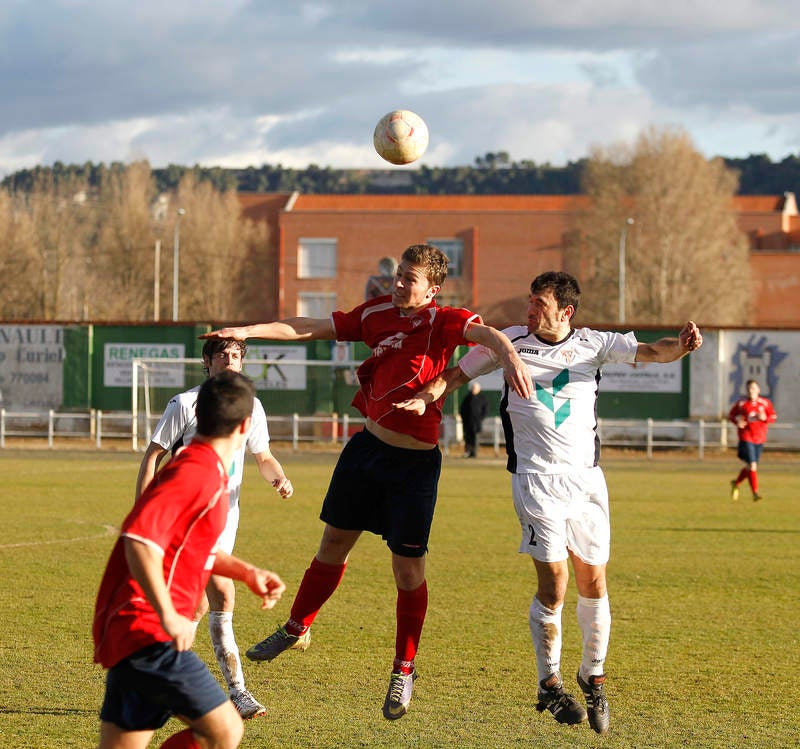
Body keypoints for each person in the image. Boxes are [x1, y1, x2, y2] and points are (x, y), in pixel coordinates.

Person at [200, 243, 532, 720]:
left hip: (414, 468)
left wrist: (510, 357)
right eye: (398, 274)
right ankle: (296, 628)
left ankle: (403, 670)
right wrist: (245, 331)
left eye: (409, 279)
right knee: (332, 544)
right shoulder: (376, 314)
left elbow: (489, 335)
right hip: (366, 452)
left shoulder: (444, 320)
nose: (398, 284)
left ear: (433, 288)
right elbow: (308, 326)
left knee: (407, 572)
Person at [395, 271, 702, 735]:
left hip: (586, 483)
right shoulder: (508, 342)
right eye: (530, 300)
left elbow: (655, 352)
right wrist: (423, 398)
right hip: (536, 481)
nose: (530, 309)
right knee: (555, 585)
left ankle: (592, 676)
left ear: (566, 311)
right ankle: (549, 683)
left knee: (594, 582)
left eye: (539, 302)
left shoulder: (594, 343)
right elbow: (455, 374)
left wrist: (681, 345)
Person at [93, 371, 287, 749]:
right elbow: (139, 541)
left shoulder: (205, 468)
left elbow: (193, 547)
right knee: (225, 730)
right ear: (246, 425)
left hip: (132, 629)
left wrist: (246, 572)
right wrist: (167, 615)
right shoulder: (196, 472)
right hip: (148, 631)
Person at [135, 338, 294, 720]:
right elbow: (154, 454)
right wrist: (144, 510)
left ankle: (159, 675)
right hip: (188, 516)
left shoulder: (251, 406)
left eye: (236, 355)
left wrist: (279, 477)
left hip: (227, 516)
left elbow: (263, 456)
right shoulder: (185, 404)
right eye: (222, 354)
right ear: (207, 361)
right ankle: (237, 694)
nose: (229, 360)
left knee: (199, 603)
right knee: (222, 592)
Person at [728, 379, 777, 501]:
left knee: (751, 467)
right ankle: (755, 493)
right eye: (749, 388)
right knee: (753, 465)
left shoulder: (765, 403)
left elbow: (773, 417)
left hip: (759, 438)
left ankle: (736, 483)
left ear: (758, 390)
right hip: (746, 437)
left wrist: (765, 418)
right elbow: (731, 415)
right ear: (746, 390)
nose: (751, 391)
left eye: (754, 388)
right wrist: (737, 421)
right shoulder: (741, 404)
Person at [459, 381, 489, 457]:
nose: (473, 390)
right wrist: (463, 418)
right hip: (467, 422)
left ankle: (474, 453)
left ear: (478, 389)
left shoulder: (482, 398)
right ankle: (467, 452)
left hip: (477, 422)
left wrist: (481, 418)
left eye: (475, 388)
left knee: (475, 438)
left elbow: (485, 410)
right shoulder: (467, 398)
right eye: (472, 388)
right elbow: (462, 409)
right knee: (467, 438)